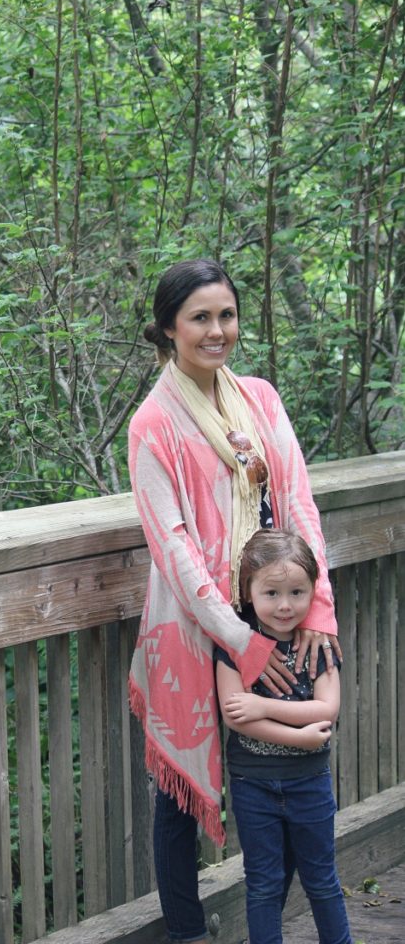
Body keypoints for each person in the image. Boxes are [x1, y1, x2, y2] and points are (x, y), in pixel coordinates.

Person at [127, 258, 340, 944]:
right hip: (194, 622)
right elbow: (173, 548)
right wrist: (238, 639)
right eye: (200, 318)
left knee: (279, 767)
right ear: (168, 328)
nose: (216, 330)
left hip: (276, 606)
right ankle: (187, 933)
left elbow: (298, 503)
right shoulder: (153, 424)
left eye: (226, 315)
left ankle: (266, 919)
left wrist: (317, 607)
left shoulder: (260, 398)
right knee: (179, 792)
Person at [215, 527, 351, 944]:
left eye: (297, 592)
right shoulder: (235, 646)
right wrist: (300, 736)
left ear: (313, 591)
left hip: (309, 784)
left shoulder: (318, 645)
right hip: (253, 784)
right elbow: (236, 717)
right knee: (263, 884)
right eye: (271, 593)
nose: (285, 605)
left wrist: (264, 706)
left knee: (321, 880)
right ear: (248, 591)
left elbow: (326, 709)